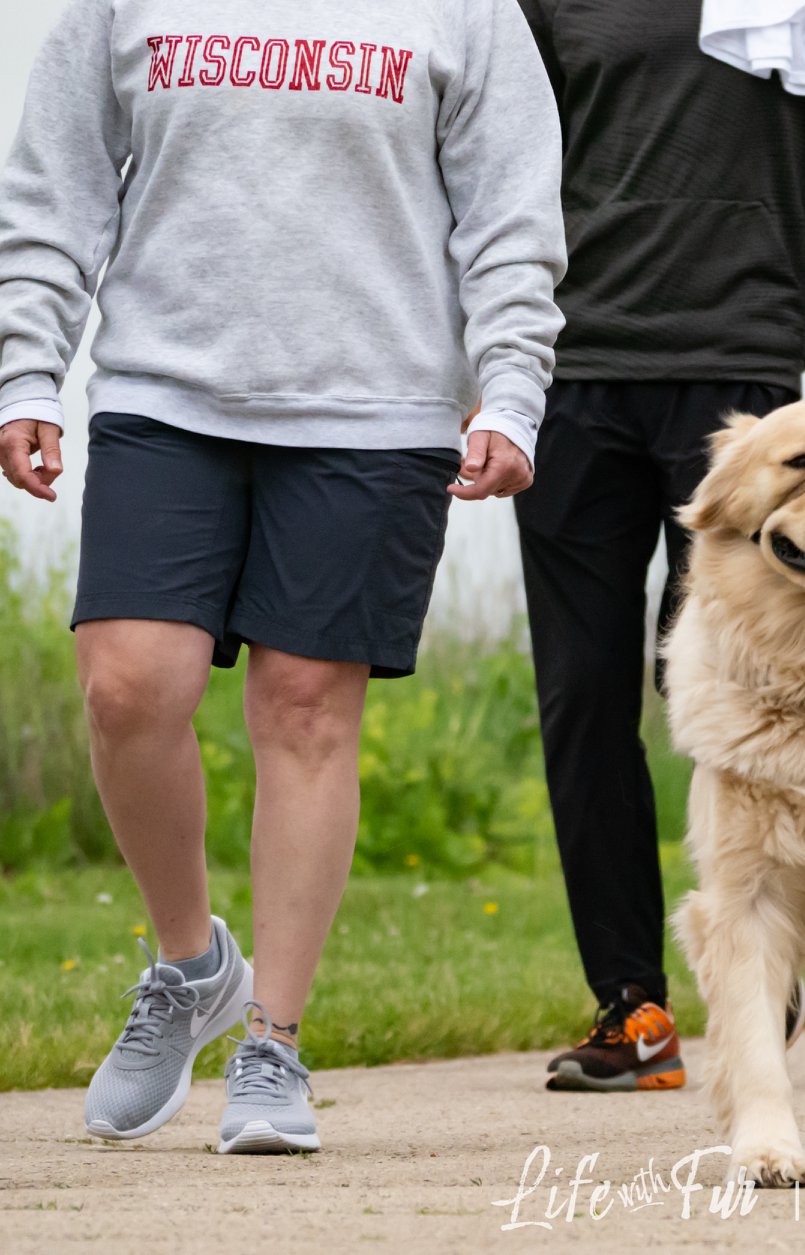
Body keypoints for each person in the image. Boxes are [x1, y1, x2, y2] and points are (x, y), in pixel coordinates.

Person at [0, 0, 565, 1151]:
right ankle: (191, 965)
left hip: (377, 408)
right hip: (164, 391)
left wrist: (511, 388)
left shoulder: (466, 11)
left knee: (306, 707)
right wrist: (26, 368)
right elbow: (54, 187)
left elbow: (511, 208)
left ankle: (274, 1041)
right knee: (127, 686)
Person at [513, 0, 805, 1092]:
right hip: (569, 373)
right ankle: (632, 1004)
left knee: (738, 689)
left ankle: (761, 952)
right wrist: (487, 357)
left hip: (742, 381)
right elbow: (493, 158)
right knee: (583, 693)